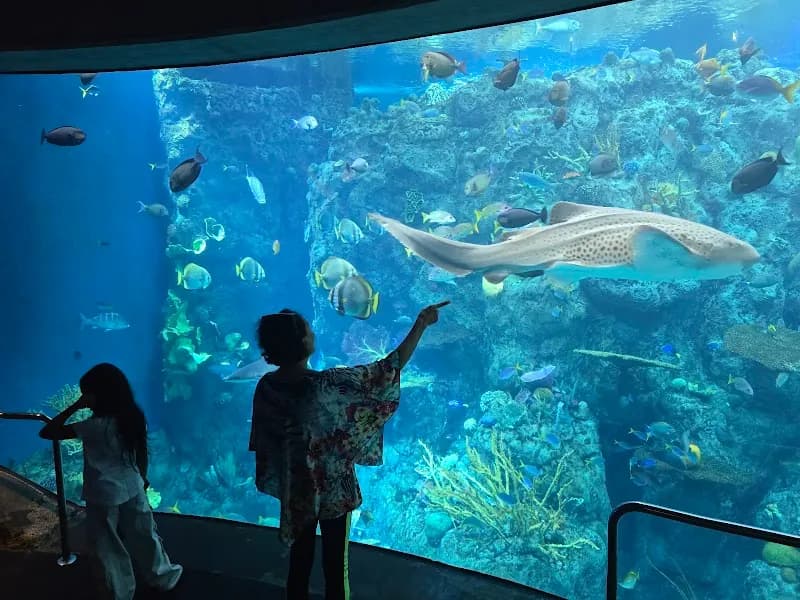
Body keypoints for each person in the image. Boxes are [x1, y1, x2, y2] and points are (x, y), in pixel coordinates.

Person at [249, 301, 450, 600]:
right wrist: (420, 324)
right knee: (335, 568)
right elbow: (389, 367)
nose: (313, 332)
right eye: (308, 329)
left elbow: (265, 444)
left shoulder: (266, 388)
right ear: (302, 342)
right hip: (334, 490)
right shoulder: (328, 385)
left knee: (299, 564)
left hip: (297, 489)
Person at [40, 363, 183, 600]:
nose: (85, 399)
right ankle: (164, 577)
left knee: (108, 547)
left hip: (103, 493)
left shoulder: (91, 426)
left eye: (87, 394)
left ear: (97, 396)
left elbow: (48, 432)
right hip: (133, 485)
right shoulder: (133, 416)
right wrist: (143, 479)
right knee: (145, 536)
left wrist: (75, 406)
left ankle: (120, 593)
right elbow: (141, 451)